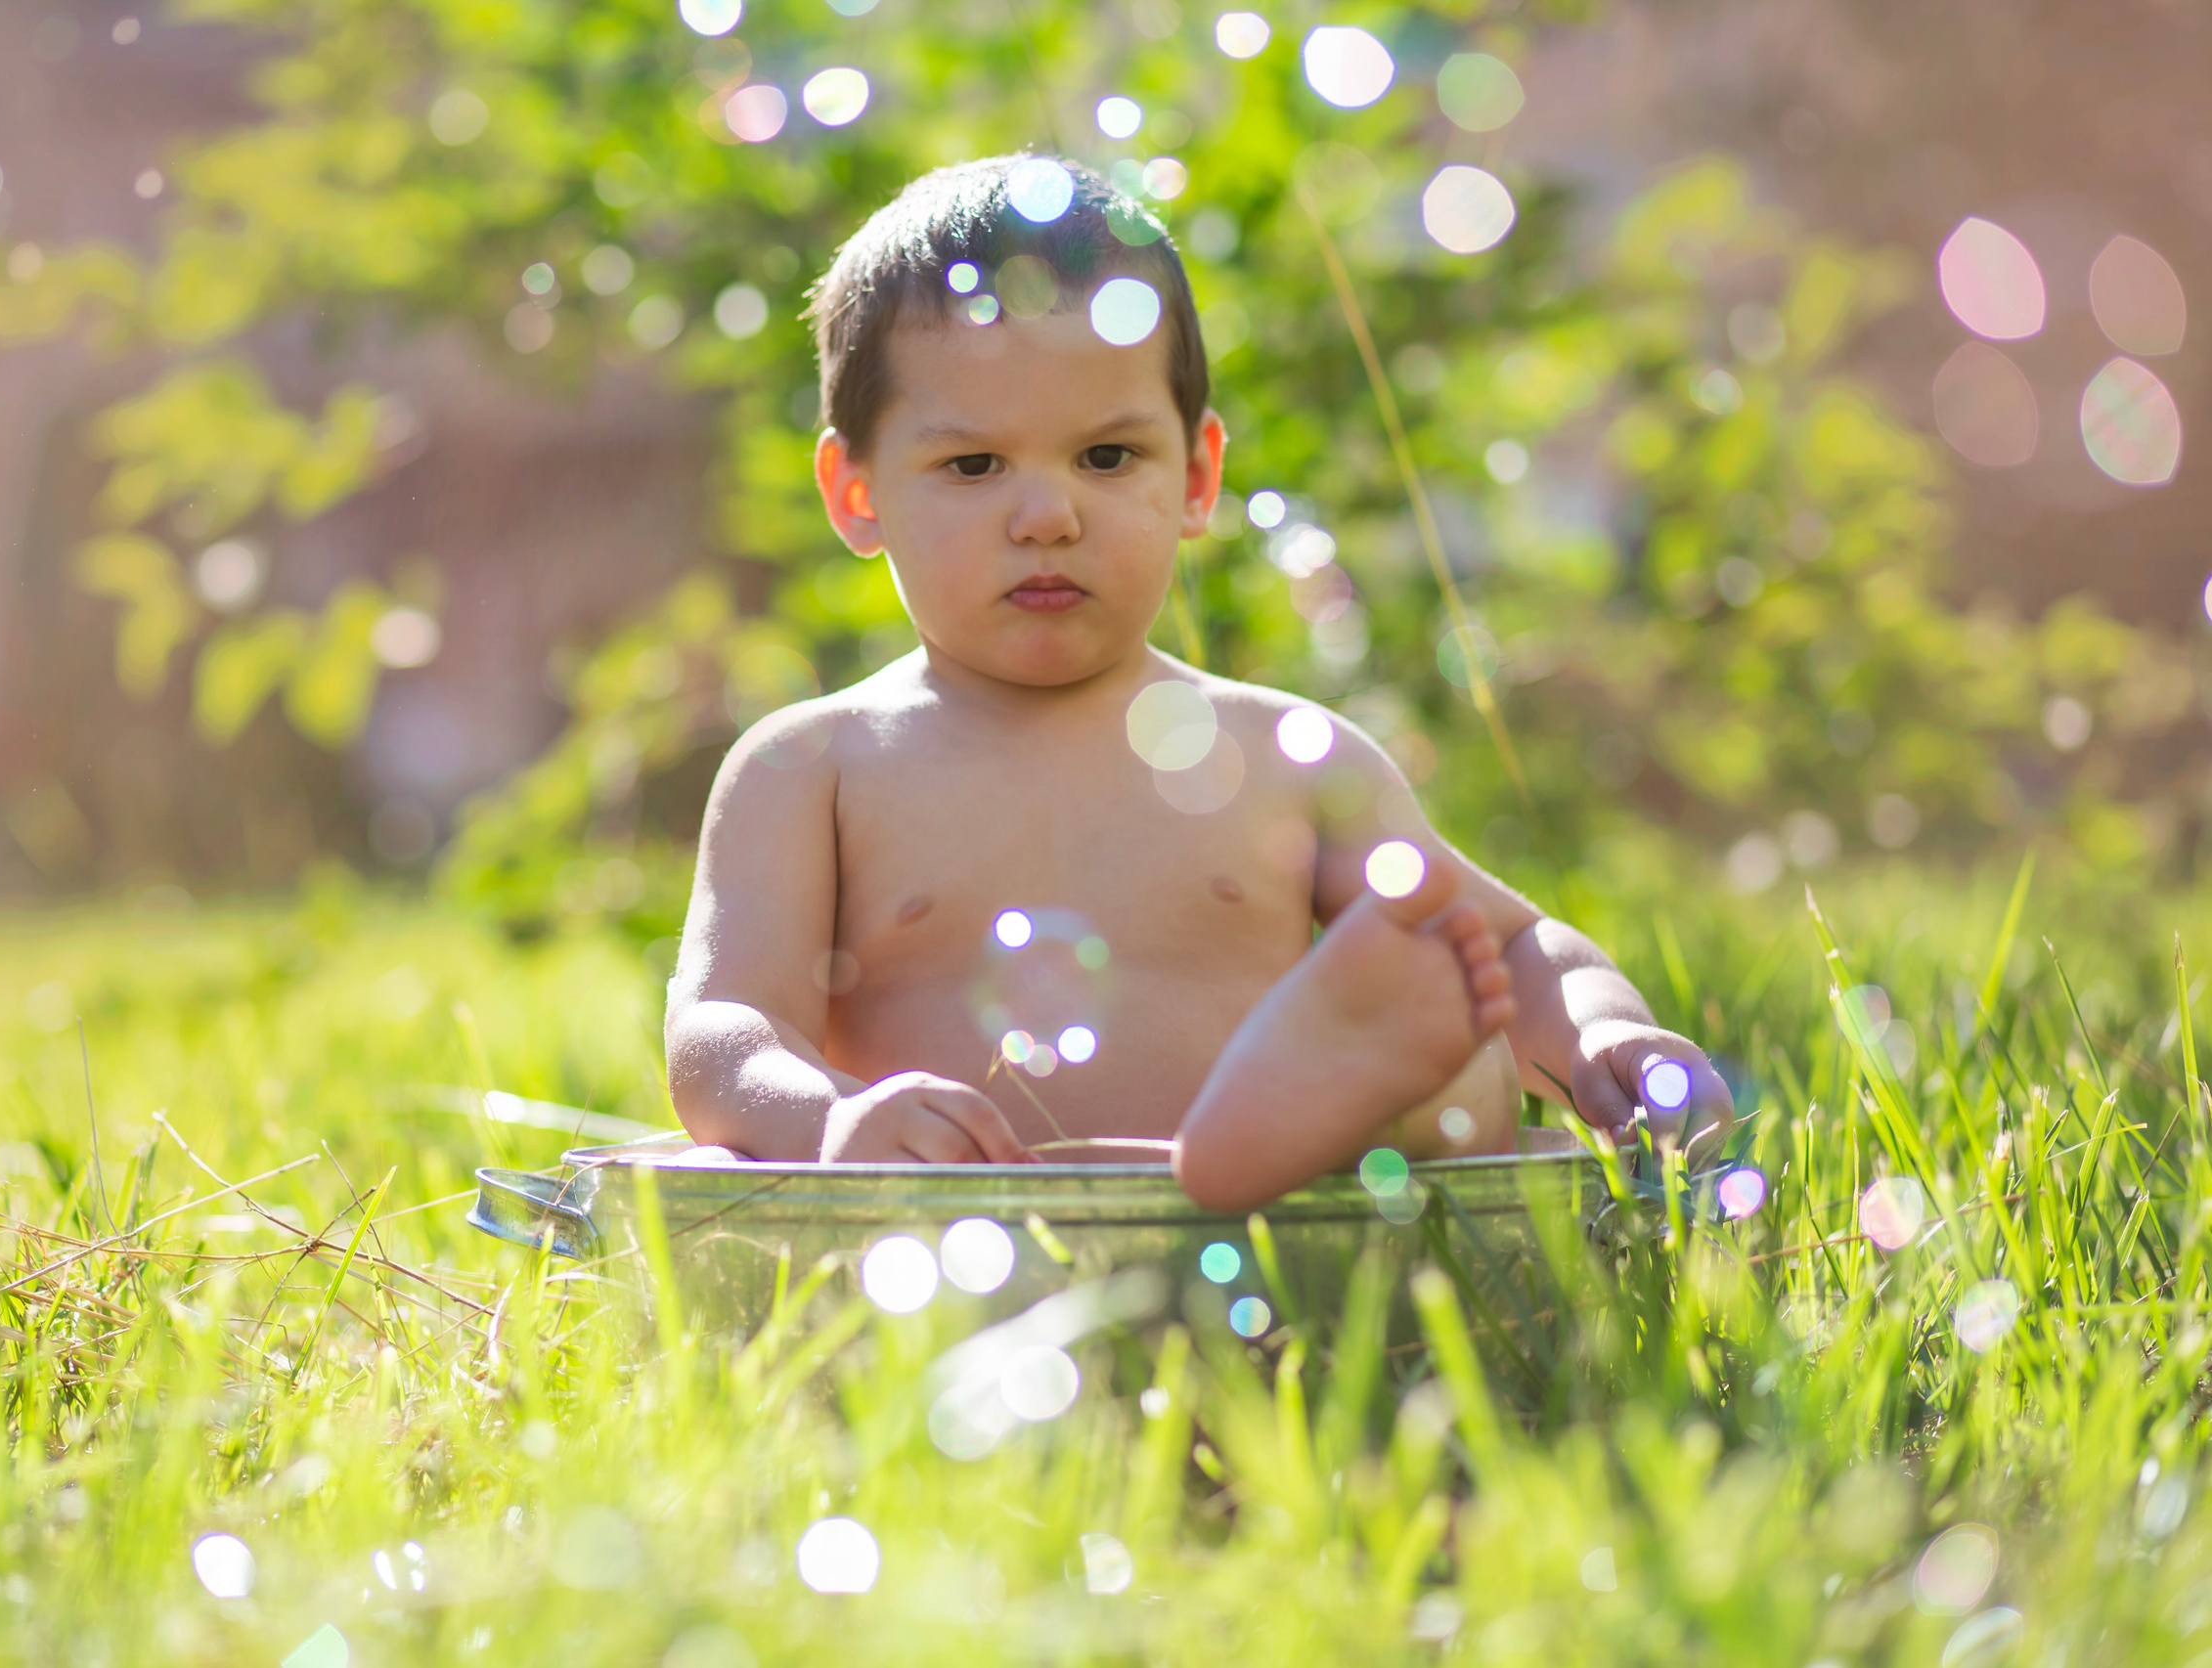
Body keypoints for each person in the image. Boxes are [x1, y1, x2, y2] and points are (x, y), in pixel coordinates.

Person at [662, 156, 1730, 1210]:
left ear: (1196, 476)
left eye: (1108, 456)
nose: (1048, 516)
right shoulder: (816, 768)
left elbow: (1506, 944)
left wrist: (1604, 1030)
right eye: (974, 467)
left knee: (1452, 1011)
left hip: (1284, 1266)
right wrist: (830, 1118)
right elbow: (723, 1034)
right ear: (854, 491)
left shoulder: (1275, 754)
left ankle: (1338, 1104)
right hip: (946, 1249)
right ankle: (1307, 1111)